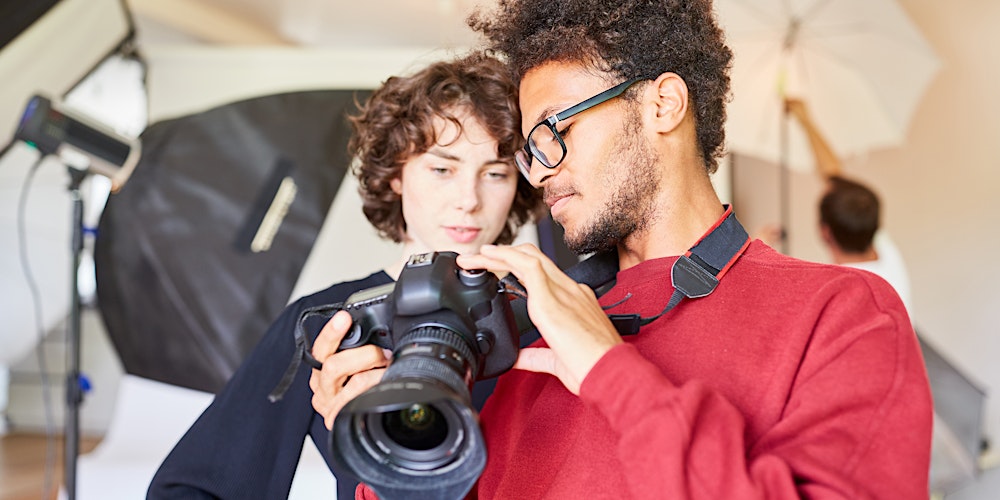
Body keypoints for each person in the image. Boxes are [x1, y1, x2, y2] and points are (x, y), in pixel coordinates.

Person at [310, 0, 933, 498]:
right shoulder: (527, 326)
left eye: (553, 130)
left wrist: (613, 375)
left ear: (662, 103)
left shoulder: (846, 311)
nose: (539, 173)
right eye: (529, 149)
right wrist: (398, 466)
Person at [147, 51, 543, 499]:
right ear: (396, 174)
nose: (468, 199)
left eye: (495, 173)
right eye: (441, 169)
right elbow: (192, 487)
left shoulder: (548, 314)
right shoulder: (330, 325)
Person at [787, 98, 913, 311]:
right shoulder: (885, 250)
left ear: (825, 232)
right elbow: (832, 174)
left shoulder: (840, 293)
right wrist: (804, 119)